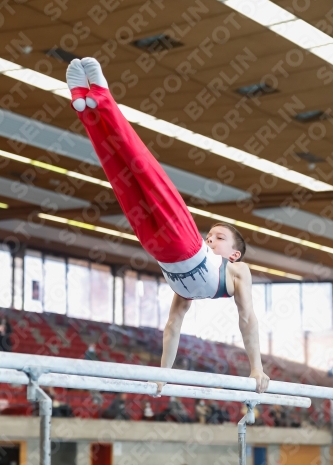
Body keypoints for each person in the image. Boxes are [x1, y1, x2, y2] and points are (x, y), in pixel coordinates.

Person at [66, 58, 269, 395]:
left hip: (157, 248)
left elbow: (177, 327)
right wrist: (256, 368)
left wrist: (163, 376)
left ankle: (86, 111)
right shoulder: (215, 261)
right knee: (140, 164)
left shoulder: (233, 273)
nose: (212, 237)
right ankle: (100, 95)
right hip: (182, 240)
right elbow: (241, 319)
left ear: (234, 254)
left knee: (118, 175)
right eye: (212, 233)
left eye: (218, 237)